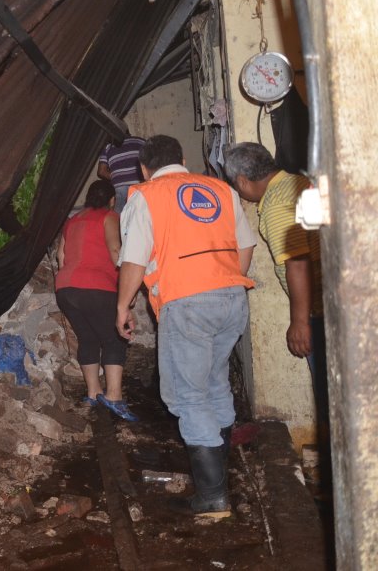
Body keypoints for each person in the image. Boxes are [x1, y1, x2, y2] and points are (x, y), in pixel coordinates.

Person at [116, 135, 256, 518]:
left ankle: (212, 497)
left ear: (144, 168)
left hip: (187, 303)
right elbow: (246, 245)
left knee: (189, 395)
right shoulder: (221, 190)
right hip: (232, 298)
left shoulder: (146, 195)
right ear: (181, 159)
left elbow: (133, 259)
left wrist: (122, 306)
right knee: (214, 383)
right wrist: (222, 281)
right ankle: (220, 477)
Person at [222, 142, 327, 415]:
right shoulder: (300, 182)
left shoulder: (277, 203)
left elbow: (298, 263)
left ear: (243, 181)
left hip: (323, 312)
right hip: (338, 304)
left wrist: (300, 322)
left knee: (331, 396)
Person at [55, 179, 136, 421]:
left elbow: (61, 256)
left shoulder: (72, 220)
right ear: (112, 200)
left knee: (88, 338)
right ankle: (114, 396)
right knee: (114, 338)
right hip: (96, 287)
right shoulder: (109, 216)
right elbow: (115, 253)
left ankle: (93, 392)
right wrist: (126, 289)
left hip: (66, 288)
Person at [98, 133, 146, 213]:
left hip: (119, 188)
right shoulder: (141, 141)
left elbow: (101, 171)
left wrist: (117, 176)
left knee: (119, 220)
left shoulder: (108, 147)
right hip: (139, 187)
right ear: (129, 133)